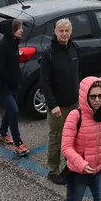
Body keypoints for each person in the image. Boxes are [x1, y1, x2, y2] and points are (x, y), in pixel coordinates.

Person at [40, 18, 81, 185]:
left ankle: (70, 167)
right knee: (56, 138)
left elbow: (78, 74)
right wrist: (53, 104)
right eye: (61, 31)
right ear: (55, 33)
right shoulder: (49, 54)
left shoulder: (74, 49)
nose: (64, 34)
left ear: (71, 32)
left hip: (74, 103)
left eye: (67, 31)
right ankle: (53, 170)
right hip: (58, 107)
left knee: (73, 137)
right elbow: (44, 82)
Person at [0, 18, 29, 156]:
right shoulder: (3, 46)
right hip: (3, 86)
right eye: (18, 28)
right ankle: (18, 143)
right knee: (13, 111)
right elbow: (0, 68)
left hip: (13, 85)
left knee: (9, 110)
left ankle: (2, 134)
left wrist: (17, 79)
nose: (22, 30)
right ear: (11, 31)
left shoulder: (14, 43)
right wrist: (11, 80)